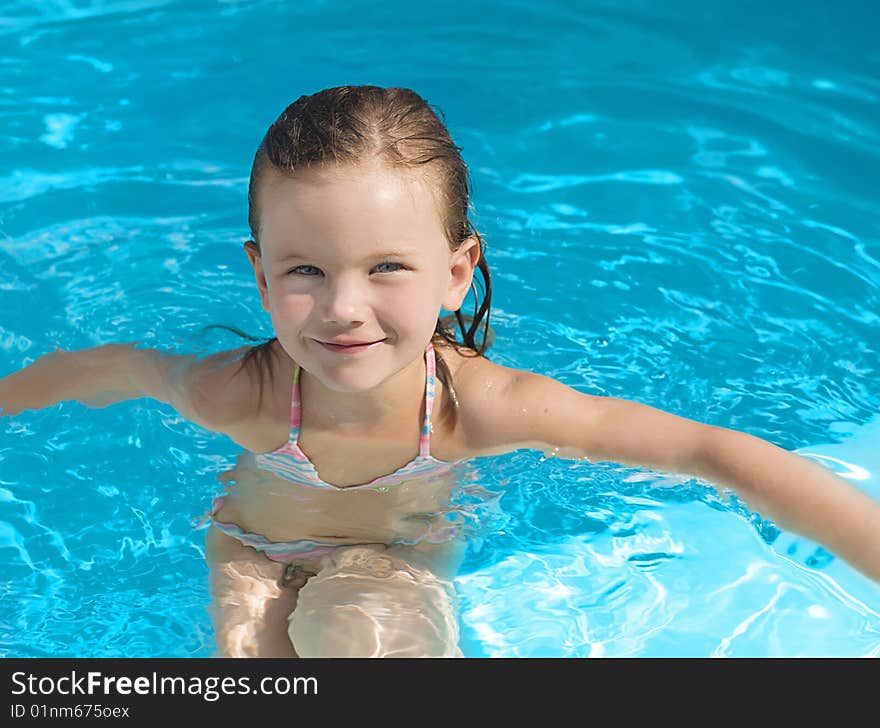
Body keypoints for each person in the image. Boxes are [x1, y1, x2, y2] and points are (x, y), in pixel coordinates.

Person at [1, 85, 878, 658]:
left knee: (364, 639)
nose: (344, 307)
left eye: (387, 267)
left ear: (457, 274)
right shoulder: (240, 392)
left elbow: (712, 454)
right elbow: (110, 369)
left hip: (396, 555)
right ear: (261, 278)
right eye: (305, 270)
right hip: (254, 548)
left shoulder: (478, 409)